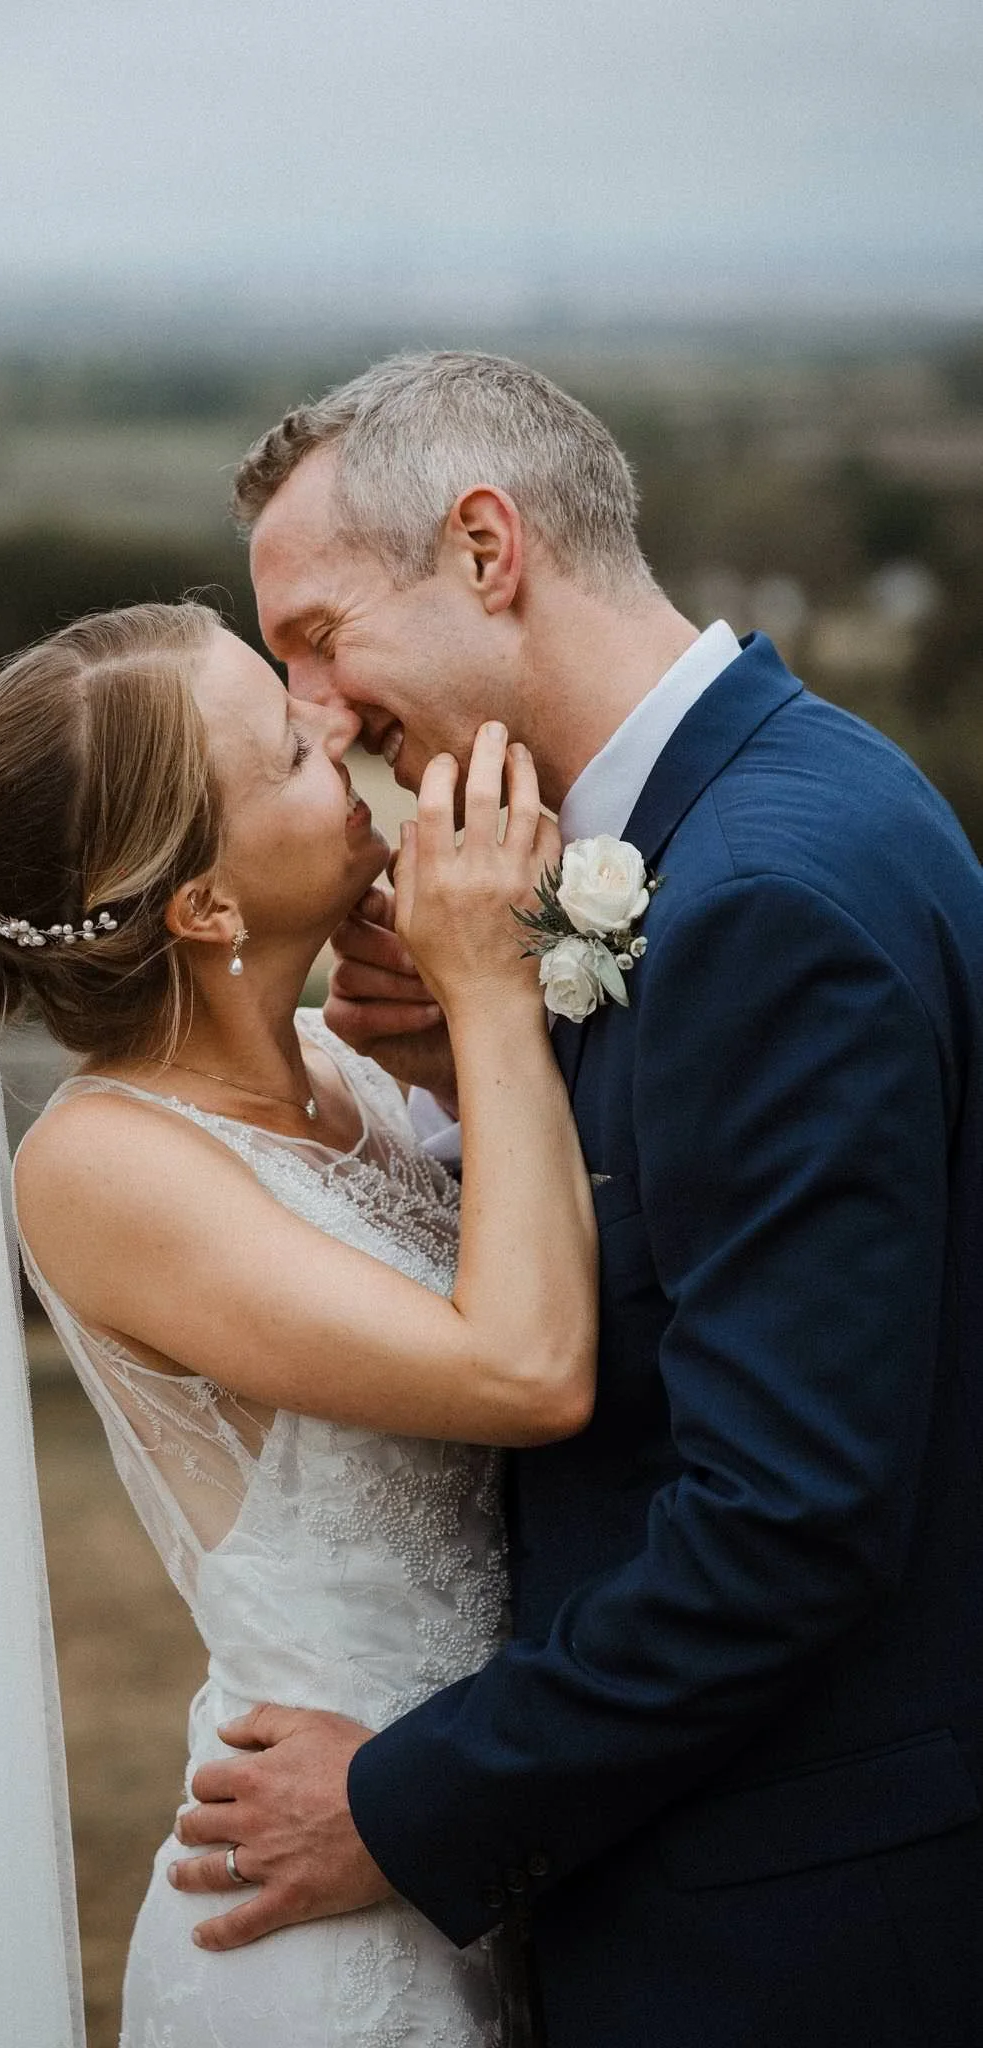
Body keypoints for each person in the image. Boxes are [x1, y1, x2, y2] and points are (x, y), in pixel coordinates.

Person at [170, 352, 983, 2048]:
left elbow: (785, 1522)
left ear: (486, 549)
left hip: (789, 1936)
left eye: (319, 638)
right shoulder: (773, 806)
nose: (313, 710)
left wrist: (399, 1805)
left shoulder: (763, 903)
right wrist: (497, 1075)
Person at [0, 597, 598, 2048]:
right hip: (316, 1918)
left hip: (475, 1836)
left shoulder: (343, 1072)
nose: (335, 726)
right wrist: (494, 990)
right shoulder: (101, 1166)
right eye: (288, 754)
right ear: (205, 907)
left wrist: (456, 1048)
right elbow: (527, 1367)